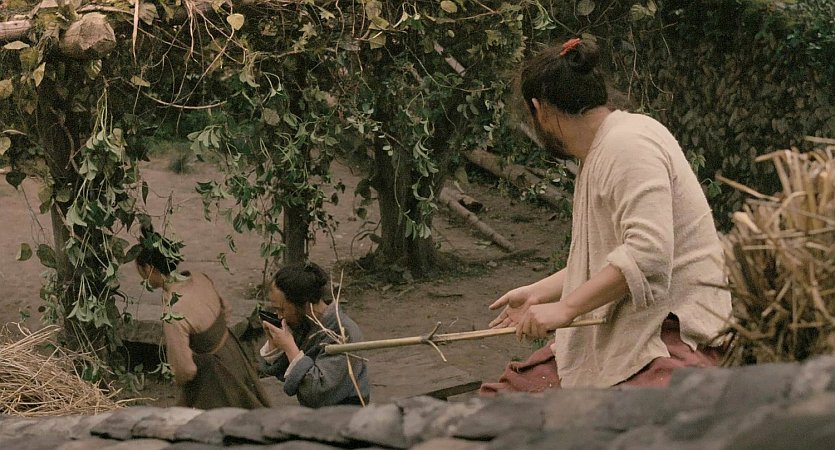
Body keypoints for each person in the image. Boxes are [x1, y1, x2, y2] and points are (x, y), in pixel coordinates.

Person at [481, 38, 732, 394]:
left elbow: (648, 254)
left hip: (671, 329)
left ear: (539, 109)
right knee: (506, 400)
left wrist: (566, 308)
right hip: (633, 325)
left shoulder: (629, 143)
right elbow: (609, 259)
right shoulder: (604, 147)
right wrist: (539, 293)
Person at [135, 226, 271, 409]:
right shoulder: (199, 278)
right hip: (233, 352)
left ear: (148, 268)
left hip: (214, 375)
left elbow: (184, 369)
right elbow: (226, 310)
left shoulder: (174, 312)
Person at [259, 262, 370, 407]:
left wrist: (290, 348)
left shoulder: (343, 333)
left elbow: (317, 392)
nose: (279, 316)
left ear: (304, 304)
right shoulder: (306, 324)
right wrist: (276, 345)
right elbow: (289, 376)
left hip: (345, 415)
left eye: (282, 310)